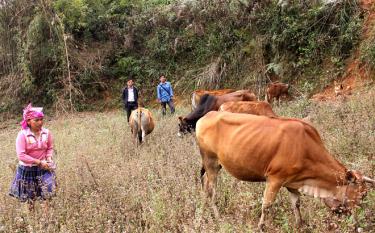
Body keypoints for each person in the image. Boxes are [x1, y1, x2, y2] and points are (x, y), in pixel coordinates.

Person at [9, 103, 56, 211]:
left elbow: (49, 147)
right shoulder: (22, 135)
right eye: (36, 120)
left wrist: (48, 158)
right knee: (31, 197)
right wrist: (39, 162)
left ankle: (46, 219)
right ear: (29, 121)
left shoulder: (46, 133)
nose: (40, 122)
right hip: (27, 169)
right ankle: (32, 218)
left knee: (47, 193)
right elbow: (21, 155)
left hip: (44, 168)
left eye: (41, 119)